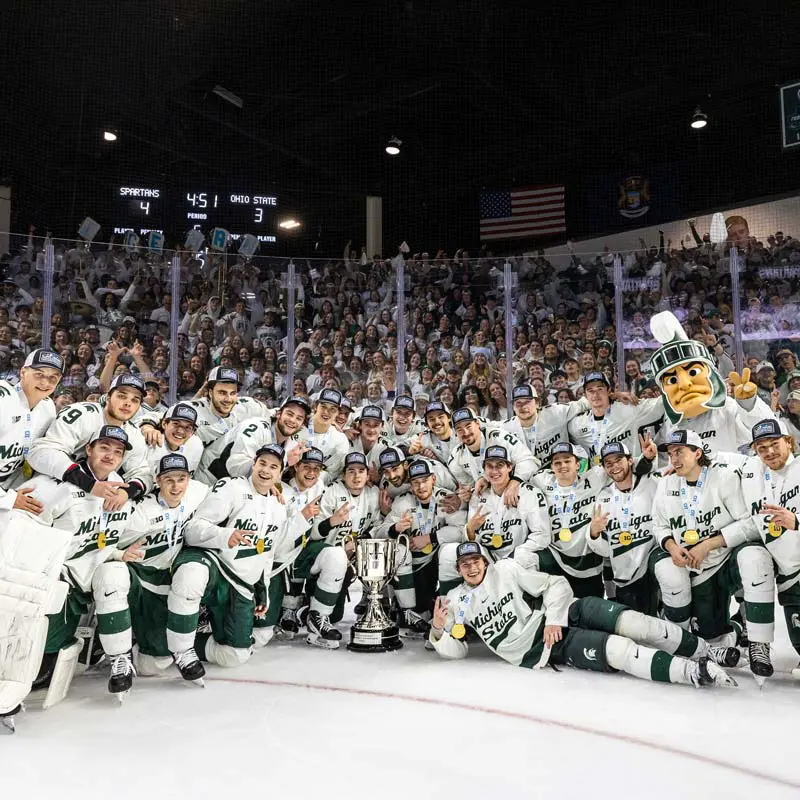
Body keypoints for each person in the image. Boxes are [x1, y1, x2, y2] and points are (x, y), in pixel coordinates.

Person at [429, 541, 737, 688]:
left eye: (475, 561)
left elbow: (556, 585)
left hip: (560, 615)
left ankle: (709, 651)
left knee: (635, 623)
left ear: (485, 561)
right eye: (464, 564)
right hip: (540, 648)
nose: (471, 567)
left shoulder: (505, 569)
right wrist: (440, 630)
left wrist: (553, 619)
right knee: (618, 650)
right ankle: (692, 673)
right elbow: (456, 652)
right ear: (458, 570)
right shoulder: (456, 602)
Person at [651, 430, 776, 684]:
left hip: (722, 560)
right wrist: (672, 546)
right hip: (691, 565)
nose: (674, 459)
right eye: (671, 453)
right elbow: (659, 526)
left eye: (680, 452)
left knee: (755, 556)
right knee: (711, 637)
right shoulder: (666, 483)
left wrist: (708, 544)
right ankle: (684, 636)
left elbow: (751, 524)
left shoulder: (724, 478)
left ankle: (759, 644)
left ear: (698, 453)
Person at [166, 444, 291, 678]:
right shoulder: (232, 487)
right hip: (214, 563)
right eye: (262, 463)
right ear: (253, 464)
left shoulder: (279, 507)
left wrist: (261, 586)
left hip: (240, 582)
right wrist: (225, 536)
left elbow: (267, 553)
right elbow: (192, 530)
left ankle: (174, 643)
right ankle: (181, 649)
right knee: (192, 573)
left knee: (236, 655)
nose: (266, 470)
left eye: (273, 466)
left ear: (280, 474)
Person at [90, 454, 209, 698]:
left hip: (163, 583)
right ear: (157, 480)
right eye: (169, 480)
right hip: (135, 576)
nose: (176, 486)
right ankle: (118, 658)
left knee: (153, 665)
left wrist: (277, 490)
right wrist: (120, 553)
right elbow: (96, 543)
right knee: (110, 574)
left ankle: (141, 644)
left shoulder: (197, 492)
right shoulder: (138, 513)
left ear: (189, 479)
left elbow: (230, 494)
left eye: (181, 479)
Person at [29, 426, 135, 693]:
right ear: (88, 449)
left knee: (116, 572)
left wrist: (120, 553)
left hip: (92, 576)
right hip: (58, 579)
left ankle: (120, 656)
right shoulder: (56, 487)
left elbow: (101, 542)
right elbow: (27, 534)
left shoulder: (123, 492)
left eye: (117, 451)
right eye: (104, 448)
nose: (110, 456)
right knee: (42, 660)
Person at [734, 420, 800, 679]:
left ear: (789, 442)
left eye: (775, 444)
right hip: (788, 571)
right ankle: (757, 643)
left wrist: (797, 521)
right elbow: (712, 457)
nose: (769, 452)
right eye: (762, 448)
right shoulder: (752, 470)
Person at [27, 373, 152, 507]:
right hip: (50, 493)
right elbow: (40, 453)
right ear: (108, 397)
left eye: (135, 400)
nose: (127, 403)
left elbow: (143, 473)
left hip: (92, 500)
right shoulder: (81, 414)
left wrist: (126, 492)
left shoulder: (134, 434)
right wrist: (90, 484)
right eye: (122, 396)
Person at [378, 459, 467, 633]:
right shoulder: (402, 502)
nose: (421, 487)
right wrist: (395, 528)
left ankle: (449, 612)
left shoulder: (446, 498)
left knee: (450, 550)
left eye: (425, 481)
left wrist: (430, 537)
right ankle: (407, 609)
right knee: (419, 615)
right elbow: (380, 532)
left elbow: (459, 531)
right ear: (410, 485)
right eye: (416, 482)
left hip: (435, 561)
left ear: (433, 479)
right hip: (413, 566)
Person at [588, 439, 660, 614]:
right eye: (608, 463)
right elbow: (605, 551)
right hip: (625, 579)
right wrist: (594, 533)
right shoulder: (603, 498)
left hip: (654, 570)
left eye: (618, 460)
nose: (614, 466)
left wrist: (650, 459)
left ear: (630, 460)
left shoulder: (653, 484)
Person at [531, 442, 605, 598]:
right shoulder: (542, 482)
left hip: (589, 562)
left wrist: (648, 460)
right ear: (551, 467)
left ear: (578, 464)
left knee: (591, 609)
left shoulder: (595, 478)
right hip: (557, 560)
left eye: (567, 461)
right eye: (557, 462)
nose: (562, 465)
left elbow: (621, 469)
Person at [0, 349, 65, 512]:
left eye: (53, 377)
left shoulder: (47, 406)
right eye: (39, 374)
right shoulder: (3, 399)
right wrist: (7, 499)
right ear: (23, 371)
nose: (45, 383)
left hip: (12, 488)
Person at [448, 407, 537, 508]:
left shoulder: (499, 437)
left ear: (477, 423)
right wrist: (467, 494)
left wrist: (514, 482)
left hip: (517, 488)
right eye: (459, 429)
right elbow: (469, 487)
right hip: (490, 497)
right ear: (455, 432)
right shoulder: (456, 458)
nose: (466, 432)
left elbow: (530, 462)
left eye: (468, 426)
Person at [567, 372, 663, 463]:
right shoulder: (577, 424)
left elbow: (661, 404)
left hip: (631, 473)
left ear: (609, 391)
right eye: (590, 391)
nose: (595, 394)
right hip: (599, 477)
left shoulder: (628, 409)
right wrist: (614, 395)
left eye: (600, 389)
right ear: (585, 395)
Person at [225, 395, 310, 478]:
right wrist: (282, 461)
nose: (292, 420)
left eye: (299, 418)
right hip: (215, 476)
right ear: (278, 414)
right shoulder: (257, 428)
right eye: (289, 414)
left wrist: (285, 463)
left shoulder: (291, 445)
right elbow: (235, 468)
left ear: (302, 425)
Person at [502, 383, 588, 461]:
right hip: (526, 475)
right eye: (518, 403)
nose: (523, 406)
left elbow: (583, 404)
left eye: (527, 402)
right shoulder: (506, 427)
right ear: (513, 407)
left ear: (537, 403)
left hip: (557, 471)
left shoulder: (555, 412)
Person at [140, 402, 204, 476]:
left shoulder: (196, 445)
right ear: (164, 424)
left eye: (188, 427)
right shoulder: (150, 441)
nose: (180, 431)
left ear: (192, 432)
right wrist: (147, 425)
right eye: (176, 424)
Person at [305, 388, 351, 483]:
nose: (326, 412)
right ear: (315, 406)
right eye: (323, 406)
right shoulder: (299, 424)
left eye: (332, 409)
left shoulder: (340, 440)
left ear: (337, 413)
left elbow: (332, 474)